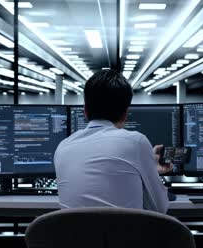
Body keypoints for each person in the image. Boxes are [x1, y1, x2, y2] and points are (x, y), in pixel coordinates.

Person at [54, 69, 173, 213]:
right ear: (125, 114)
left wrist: (149, 168)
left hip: (75, 235)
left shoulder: (62, 147)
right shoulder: (136, 142)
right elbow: (159, 208)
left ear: (85, 111)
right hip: (126, 235)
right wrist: (150, 169)